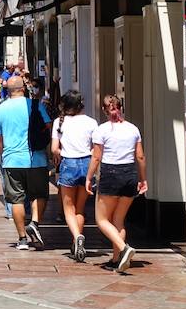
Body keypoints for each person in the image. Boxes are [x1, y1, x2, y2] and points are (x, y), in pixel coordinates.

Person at [87, 95, 147, 273]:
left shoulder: (102, 130)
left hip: (111, 173)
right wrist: (143, 179)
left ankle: (123, 248)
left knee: (102, 219)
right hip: (130, 174)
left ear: (105, 110)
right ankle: (116, 259)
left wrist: (89, 177)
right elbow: (140, 157)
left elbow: (97, 157)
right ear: (122, 107)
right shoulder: (133, 129)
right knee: (119, 220)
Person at [0, 75, 51, 251]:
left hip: (12, 160)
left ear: (7, 90)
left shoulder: (1, 109)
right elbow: (48, 126)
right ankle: (34, 223)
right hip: (36, 158)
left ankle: (22, 239)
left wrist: (4, 156)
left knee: (16, 199)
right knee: (39, 195)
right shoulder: (35, 105)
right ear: (23, 88)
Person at [52, 91, 97, 263]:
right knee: (80, 208)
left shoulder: (59, 122)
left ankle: (77, 237)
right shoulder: (91, 122)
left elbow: (55, 149)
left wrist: (62, 154)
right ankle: (76, 241)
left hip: (69, 163)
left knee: (68, 208)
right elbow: (95, 148)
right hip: (86, 164)